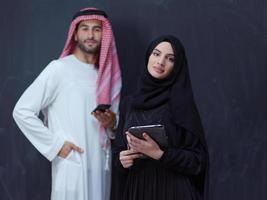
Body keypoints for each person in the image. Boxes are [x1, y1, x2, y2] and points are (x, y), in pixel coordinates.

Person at [12, 7, 121, 200]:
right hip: (72, 167)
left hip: (100, 167)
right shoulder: (59, 69)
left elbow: (113, 127)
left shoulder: (107, 77)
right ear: (75, 35)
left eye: (96, 29)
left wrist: (111, 123)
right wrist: (56, 146)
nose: (90, 35)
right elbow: (22, 111)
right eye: (85, 28)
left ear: (104, 34)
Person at [111, 35, 208, 200]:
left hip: (174, 191)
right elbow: (119, 150)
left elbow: (198, 162)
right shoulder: (129, 103)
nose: (160, 62)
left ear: (177, 66)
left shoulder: (181, 104)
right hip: (137, 190)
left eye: (170, 59)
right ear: (148, 56)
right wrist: (121, 160)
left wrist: (159, 154)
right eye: (156, 54)